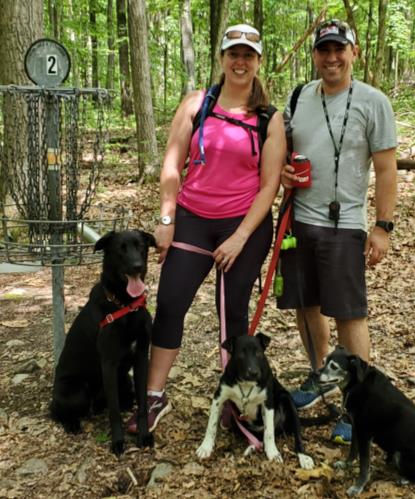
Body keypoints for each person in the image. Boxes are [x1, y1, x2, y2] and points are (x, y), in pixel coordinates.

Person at [127, 24, 286, 432]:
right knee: (171, 304)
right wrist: (166, 220)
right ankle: (153, 396)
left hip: (244, 225)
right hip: (192, 219)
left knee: (232, 314)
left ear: (258, 62)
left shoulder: (270, 118)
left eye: (248, 55)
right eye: (234, 54)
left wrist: (239, 237)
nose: (240, 62)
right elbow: (171, 164)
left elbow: (269, 185)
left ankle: (239, 404)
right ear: (222, 58)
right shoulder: (197, 104)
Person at [278, 19, 397, 443]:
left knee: (349, 313)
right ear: (314, 54)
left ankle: (358, 403)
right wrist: (284, 173)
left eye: (339, 49)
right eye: (324, 49)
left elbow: (386, 169)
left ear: (353, 52)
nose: (331, 58)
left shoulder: (373, 102)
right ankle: (320, 373)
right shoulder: (299, 98)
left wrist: (382, 227)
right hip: (298, 220)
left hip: (344, 223)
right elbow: (283, 154)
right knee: (305, 303)